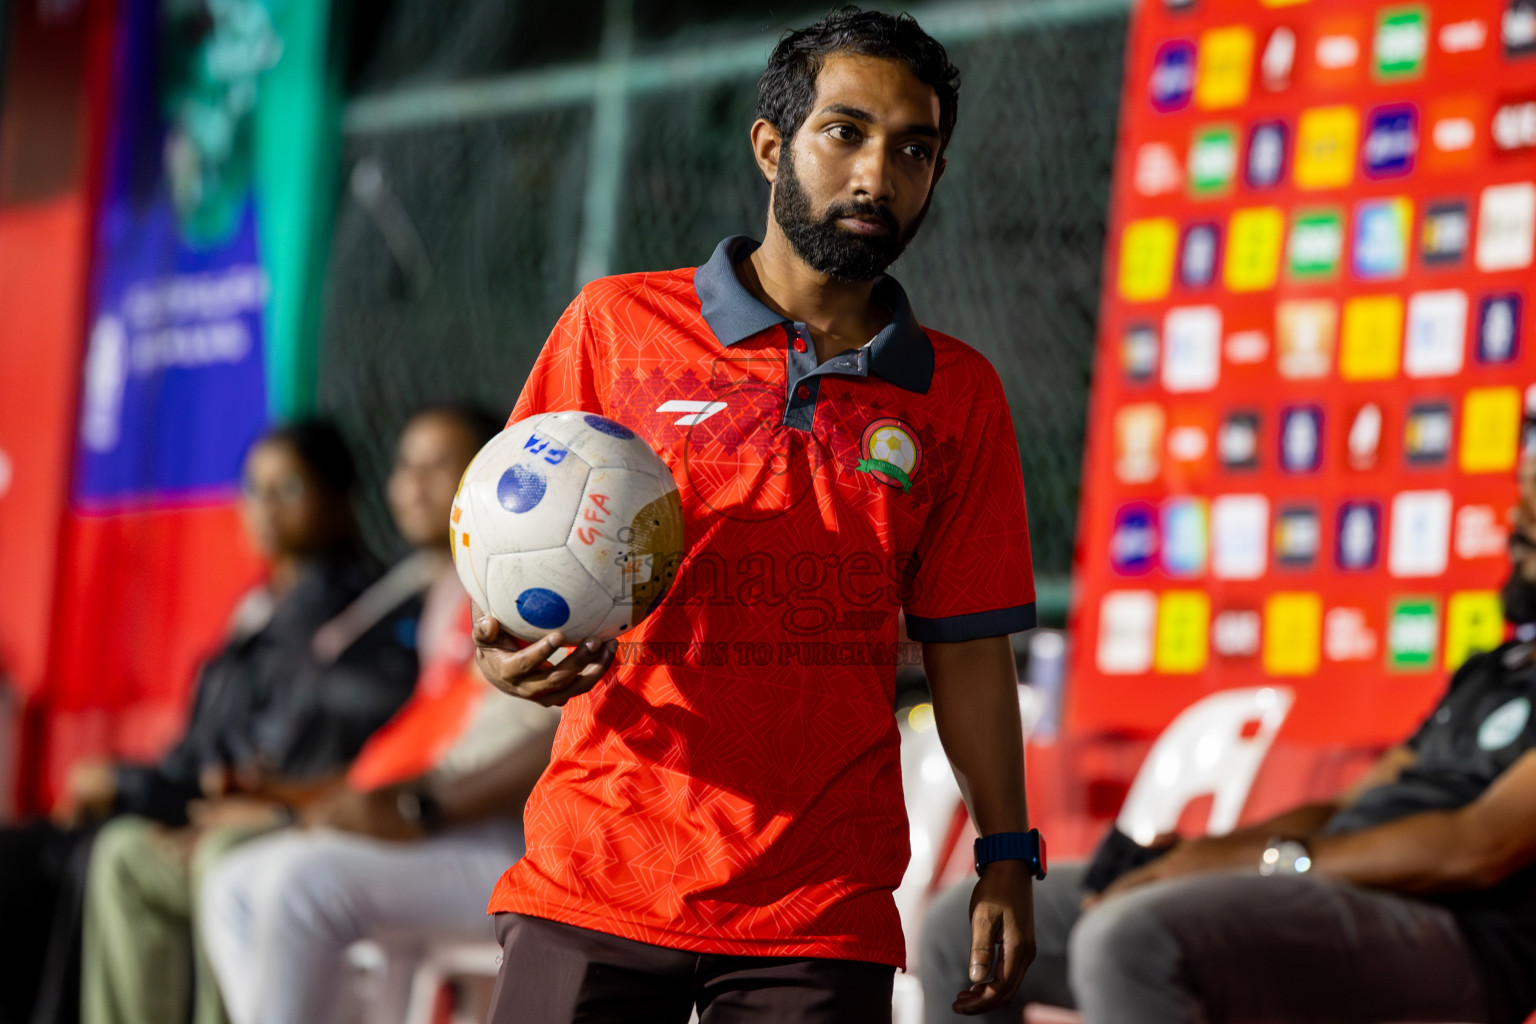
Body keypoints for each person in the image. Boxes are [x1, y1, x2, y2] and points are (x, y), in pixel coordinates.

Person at [471, 8, 1041, 1023]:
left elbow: (968, 648)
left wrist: (1005, 853)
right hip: (599, 871)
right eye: (847, 132)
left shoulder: (957, 394)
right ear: (771, 145)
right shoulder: (616, 326)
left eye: (915, 150)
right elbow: (504, 557)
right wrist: (498, 654)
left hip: (819, 906)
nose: (878, 174)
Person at [919, 458, 1536, 1024]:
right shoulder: (1494, 668)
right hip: (1330, 884)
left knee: (1130, 939)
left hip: (1456, 936)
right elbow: (1349, 806)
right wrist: (1200, 854)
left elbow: (1476, 849)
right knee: (970, 929)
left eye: (1530, 535)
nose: (1513, 531)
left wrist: (1266, 865)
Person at [197, 406, 560, 1024]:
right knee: (231, 883)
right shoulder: (440, 585)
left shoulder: (535, 573)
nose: (414, 483)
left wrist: (418, 809)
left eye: (437, 464)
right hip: (440, 824)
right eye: (404, 466)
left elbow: (551, 738)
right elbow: (421, 742)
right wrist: (314, 799)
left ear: (489, 474)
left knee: (300, 886)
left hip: (514, 842)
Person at [75, 419, 423, 1024]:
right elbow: (206, 755)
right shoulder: (256, 614)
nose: (263, 508)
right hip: (227, 804)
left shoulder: (364, 619)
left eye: (287, 489)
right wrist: (144, 788)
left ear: (340, 500)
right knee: (120, 853)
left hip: (305, 816)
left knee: (225, 858)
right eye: (253, 489)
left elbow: (364, 756)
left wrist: (264, 804)